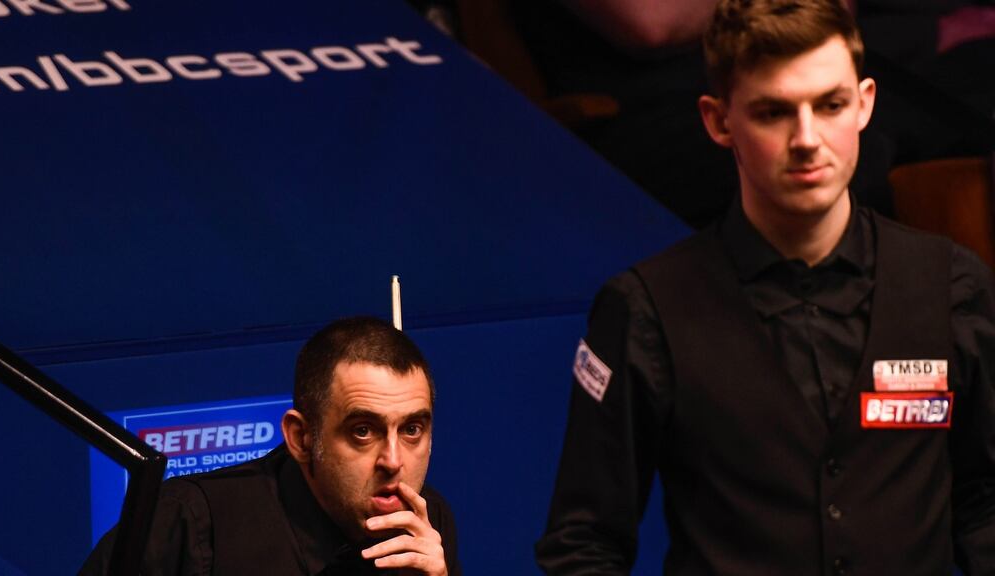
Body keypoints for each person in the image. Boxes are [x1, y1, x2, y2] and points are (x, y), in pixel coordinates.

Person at [535, 0, 995, 574]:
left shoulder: (953, 286)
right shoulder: (645, 311)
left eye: (830, 105)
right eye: (774, 112)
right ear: (719, 120)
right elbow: (585, 544)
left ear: (865, 104)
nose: (807, 139)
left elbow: (985, 506)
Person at [81, 317, 460, 575]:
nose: (393, 461)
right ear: (300, 438)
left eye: (412, 429)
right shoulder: (188, 520)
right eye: (362, 431)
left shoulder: (429, 521)